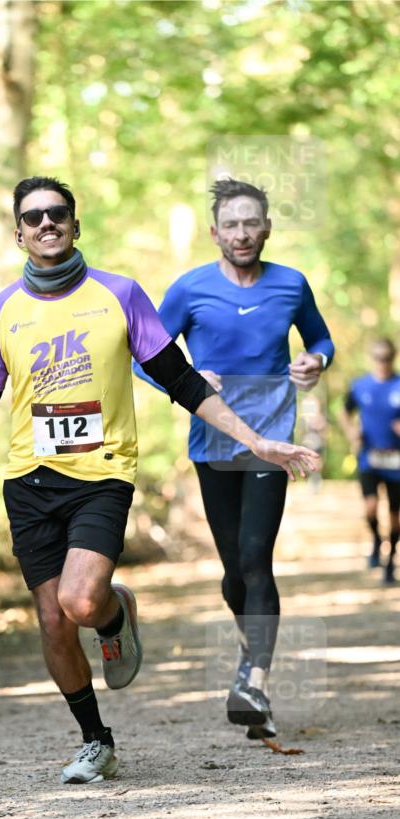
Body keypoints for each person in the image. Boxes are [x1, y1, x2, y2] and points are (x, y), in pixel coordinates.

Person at [0, 176, 319, 784]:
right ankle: (96, 740)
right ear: (18, 234)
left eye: (57, 213)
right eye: (33, 217)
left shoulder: (119, 295)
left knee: (80, 602)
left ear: (75, 225)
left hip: (102, 475)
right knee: (53, 622)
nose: (46, 223)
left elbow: (180, 379)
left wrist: (255, 440)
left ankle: (114, 614)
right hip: (29, 481)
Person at [134, 177, 334, 742]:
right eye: (231, 224)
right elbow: (145, 358)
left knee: (255, 558)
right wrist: (186, 380)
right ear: (214, 232)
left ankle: (257, 682)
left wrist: (315, 361)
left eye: (251, 223)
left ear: (266, 228)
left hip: (273, 438)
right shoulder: (189, 288)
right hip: (213, 442)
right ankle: (250, 659)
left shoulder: (291, 284)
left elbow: (321, 340)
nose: (242, 233)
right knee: (232, 572)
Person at [340, 337, 400, 584]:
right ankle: (376, 539)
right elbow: (344, 412)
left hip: (396, 459)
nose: (382, 362)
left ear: (393, 358)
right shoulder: (360, 386)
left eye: (387, 358)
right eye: (378, 358)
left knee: (395, 516)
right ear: (372, 358)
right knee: (370, 506)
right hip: (369, 457)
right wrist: (352, 432)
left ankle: (391, 559)